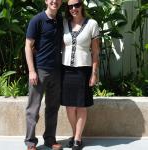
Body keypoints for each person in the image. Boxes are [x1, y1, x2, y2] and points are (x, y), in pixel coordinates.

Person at [61, 0, 100, 149]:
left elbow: (96, 52)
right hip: (66, 69)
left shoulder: (92, 24)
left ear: (82, 5)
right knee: (69, 106)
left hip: (83, 70)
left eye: (76, 5)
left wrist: (94, 73)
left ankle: (77, 138)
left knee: (81, 105)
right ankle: (75, 133)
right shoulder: (64, 23)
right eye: (70, 6)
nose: (73, 8)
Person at [24, 0, 63, 150]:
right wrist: (32, 71)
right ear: (46, 1)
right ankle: (30, 142)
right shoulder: (37, 20)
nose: (54, 1)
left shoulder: (60, 20)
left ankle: (50, 139)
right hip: (40, 71)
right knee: (33, 109)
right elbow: (28, 46)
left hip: (56, 71)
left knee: (53, 108)